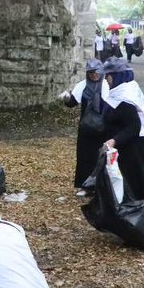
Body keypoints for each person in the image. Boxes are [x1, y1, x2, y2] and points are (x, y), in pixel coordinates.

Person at [100, 57, 144, 201]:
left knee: (136, 180)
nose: (106, 80)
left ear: (116, 76)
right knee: (127, 181)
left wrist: (113, 141)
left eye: (108, 76)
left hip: (135, 144)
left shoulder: (125, 96)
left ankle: (138, 214)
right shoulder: (123, 89)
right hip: (129, 143)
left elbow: (134, 126)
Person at [59, 59, 107, 197]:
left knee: (102, 156)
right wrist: (67, 98)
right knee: (84, 157)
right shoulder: (82, 85)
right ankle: (85, 185)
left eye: (96, 72)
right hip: (87, 127)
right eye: (91, 72)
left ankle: (101, 186)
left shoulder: (106, 85)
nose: (94, 75)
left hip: (103, 127)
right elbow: (72, 102)